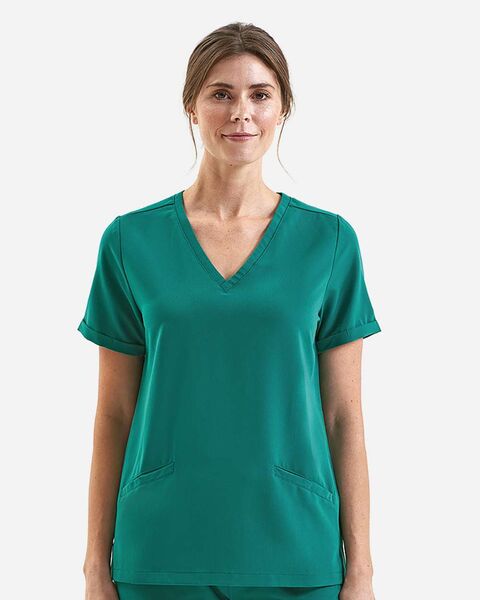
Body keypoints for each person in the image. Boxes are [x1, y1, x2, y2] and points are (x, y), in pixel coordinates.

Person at [79, 22, 381, 600]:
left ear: (282, 109)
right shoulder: (129, 241)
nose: (241, 111)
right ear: (191, 106)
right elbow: (114, 413)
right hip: (160, 552)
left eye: (259, 94)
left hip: (296, 553)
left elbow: (343, 415)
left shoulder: (330, 242)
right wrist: (95, 567)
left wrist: (362, 571)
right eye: (221, 93)